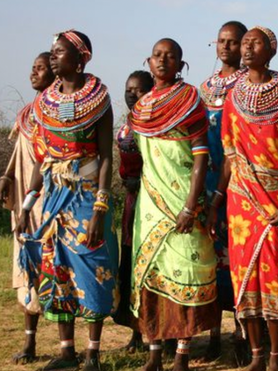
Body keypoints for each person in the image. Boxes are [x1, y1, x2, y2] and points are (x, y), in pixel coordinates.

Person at [209, 26, 278, 371]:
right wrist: (216, 201)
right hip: (241, 197)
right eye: (245, 43)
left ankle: (275, 356)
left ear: (272, 48)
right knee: (246, 276)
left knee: (274, 277)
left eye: (256, 43)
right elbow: (229, 155)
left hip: (276, 196)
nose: (247, 48)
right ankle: (255, 355)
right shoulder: (233, 93)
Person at [17, 30, 118, 371]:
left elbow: (106, 157)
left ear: (81, 57)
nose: (53, 57)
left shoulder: (99, 99)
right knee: (56, 269)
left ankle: (93, 353)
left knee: (93, 269)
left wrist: (100, 207)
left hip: (87, 196)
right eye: (52, 51)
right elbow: (42, 159)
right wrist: (28, 205)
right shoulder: (43, 104)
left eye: (60, 52)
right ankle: (66, 352)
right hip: (54, 198)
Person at [129, 38, 217, 371]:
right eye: (157, 56)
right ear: (148, 62)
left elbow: (200, 156)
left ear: (181, 65)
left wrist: (190, 206)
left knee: (187, 273)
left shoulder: (190, 100)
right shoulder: (140, 108)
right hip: (151, 204)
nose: (163, 61)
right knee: (151, 274)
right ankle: (154, 353)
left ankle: (182, 354)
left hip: (183, 201)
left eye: (171, 57)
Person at [0, 51, 54, 365]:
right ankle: (30, 342)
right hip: (23, 200)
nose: (34, 73)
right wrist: (7, 175)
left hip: (47, 200)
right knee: (25, 269)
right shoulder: (26, 114)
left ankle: (69, 346)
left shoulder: (58, 111)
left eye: (41, 68)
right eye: (32, 68)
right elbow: (19, 151)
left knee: (52, 267)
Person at [200, 20, 248, 363]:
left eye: (234, 42)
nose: (227, 47)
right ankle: (214, 335)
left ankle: (241, 335)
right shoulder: (203, 89)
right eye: (222, 41)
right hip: (207, 185)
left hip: (241, 187)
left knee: (239, 262)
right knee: (212, 263)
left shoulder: (251, 85)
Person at [111, 70, 153, 353]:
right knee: (130, 264)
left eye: (138, 90)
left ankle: (157, 330)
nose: (132, 94)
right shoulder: (126, 125)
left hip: (154, 199)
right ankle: (136, 331)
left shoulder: (158, 119)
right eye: (129, 89)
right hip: (131, 201)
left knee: (150, 264)